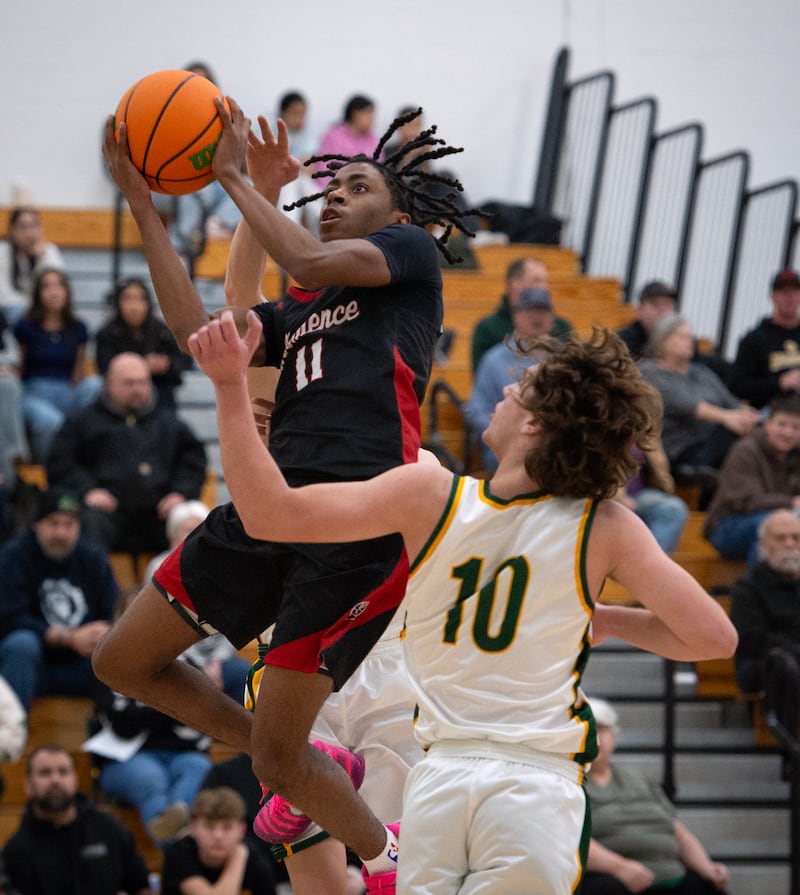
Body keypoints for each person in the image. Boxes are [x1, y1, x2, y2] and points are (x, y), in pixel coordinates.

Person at [188, 314, 737, 894]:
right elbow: (713, 640)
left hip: (439, 782)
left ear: (535, 425)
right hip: (527, 785)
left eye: (518, 388)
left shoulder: (429, 495)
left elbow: (267, 513)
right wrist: (607, 620)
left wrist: (227, 387)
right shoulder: (604, 526)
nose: (502, 390)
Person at [96, 97, 476, 891]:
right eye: (331, 186)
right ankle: (307, 765)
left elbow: (304, 259)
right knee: (122, 661)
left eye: (358, 185)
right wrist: (142, 205)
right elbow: (200, 330)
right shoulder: (300, 305)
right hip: (273, 506)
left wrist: (239, 180)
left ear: (398, 209)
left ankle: (382, 852)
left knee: (277, 760)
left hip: (357, 525)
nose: (337, 192)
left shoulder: (406, 255)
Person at [46, 352, 207, 556]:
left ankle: (189, 588)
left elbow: (193, 463)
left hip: (158, 512)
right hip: (108, 513)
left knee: (190, 521)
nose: (137, 390)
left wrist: (180, 493)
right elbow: (60, 464)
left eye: (142, 383)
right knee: (88, 522)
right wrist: (87, 491)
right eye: (129, 383)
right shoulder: (83, 422)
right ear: (110, 384)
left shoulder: (170, 423)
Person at [90, 591, 213, 846]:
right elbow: (123, 724)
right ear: (118, 621)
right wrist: (170, 706)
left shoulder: (188, 660)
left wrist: (149, 705)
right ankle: (173, 843)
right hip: (127, 759)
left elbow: (202, 716)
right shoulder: (108, 662)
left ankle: (177, 815)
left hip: (182, 754)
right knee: (150, 777)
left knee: (198, 767)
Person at [582, 698, 730, 895]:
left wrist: (707, 867)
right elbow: (572, 840)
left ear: (614, 735)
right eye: (587, 728)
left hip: (671, 876)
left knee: (707, 884)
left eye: (601, 728)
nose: (595, 736)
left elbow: (681, 834)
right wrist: (619, 867)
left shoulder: (638, 778)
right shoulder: (568, 784)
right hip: (614, 879)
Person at [0, 489, 117, 712]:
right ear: (37, 525)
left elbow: (112, 610)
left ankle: (115, 733)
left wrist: (100, 634)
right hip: (33, 662)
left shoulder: (93, 558)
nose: (61, 533)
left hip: (83, 661)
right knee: (21, 645)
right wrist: (68, 637)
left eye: (69, 525)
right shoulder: (14, 556)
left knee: (118, 649)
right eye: (53, 523)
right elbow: (8, 617)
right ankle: (9, 737)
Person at [2, 744, 151, 895]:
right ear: (28, 785)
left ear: (76, 780)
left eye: (63, 771)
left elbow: (140, 885)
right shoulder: (17, 851)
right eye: (45, 773)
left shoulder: (108, 827)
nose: (55, 779)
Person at [142, 500, 250, 703]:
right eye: (188, 530)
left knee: (245, 674)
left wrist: (217, 662)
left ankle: (242, 734)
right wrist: (198, 668)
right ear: (173, 536)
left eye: (200, 530)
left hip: (215, 659)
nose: (195, 537)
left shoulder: (225, 570)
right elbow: (160, 628)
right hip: (175, 656)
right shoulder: (158, 567)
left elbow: (233, 625)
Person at [640, 313, 760, 480]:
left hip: (713, 441)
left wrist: (752, 418)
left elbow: (731, 402)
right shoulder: (651, 372)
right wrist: (727, 418)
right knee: (732, 433)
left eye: (690, 336)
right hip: (679, 448)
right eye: (682, 336)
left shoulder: (701, 372)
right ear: (663, 340)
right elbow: (687, 405)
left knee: (768, 431)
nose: (690, 341)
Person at [466, 286, 573, 471]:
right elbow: (477, 409)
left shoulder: (564, 360)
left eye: (543, 310)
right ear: (516, 315)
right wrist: (505, 433)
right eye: (530, 310)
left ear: (552, 318)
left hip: (552, 443)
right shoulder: (494, 359)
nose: (537, 316)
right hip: (504, 444)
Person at [13, 267, 101, 462]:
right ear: (38, 293)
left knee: (96, 384)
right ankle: (53, 472)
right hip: (34, 393)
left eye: (59, 286)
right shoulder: (25, 326)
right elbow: (19, 367)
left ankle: (92, 458)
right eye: (47, 286)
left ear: (67, 292)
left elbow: (77, 372)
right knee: (50, 421)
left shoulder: (78, 328)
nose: (54, 291)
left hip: (66, 390)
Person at [703, 395, 800, 565]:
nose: (788, 432)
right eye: (782, 424)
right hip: (729, 525)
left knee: (783, 525)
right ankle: (757, 590)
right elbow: (745, 501)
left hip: (784, 518)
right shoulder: (745, 450)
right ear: (768, 424)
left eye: (796, 427)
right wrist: (791, 502)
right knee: (773, 525)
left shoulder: (796, 455)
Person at [729, 508, 800, 696]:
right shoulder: (747, 586)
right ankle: (782, 726)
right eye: (780, 538)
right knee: (782, 664)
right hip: (765, 663)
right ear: (763, 544)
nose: (790, 544)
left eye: (796, 537)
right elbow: (753, 639)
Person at [95, 277, 191, 410]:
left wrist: (165, 364)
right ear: (118, 303)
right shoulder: (107, 333)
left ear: (148, 303)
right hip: (119, 395)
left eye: (140, 299)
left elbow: (182, 363)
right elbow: (104, 369)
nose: (134, 306)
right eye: (128, 299)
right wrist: (141, 366)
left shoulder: (162, 331)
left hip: (160, 391)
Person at [470, 257, 572, 372]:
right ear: (515, 283)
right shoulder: (487, 329)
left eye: (546, 281)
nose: (544, 287)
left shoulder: (562, 327)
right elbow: (482, 378)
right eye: (537, 280)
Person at [730, 269, 800, 409]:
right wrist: (780, 383)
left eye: (794, 292)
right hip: (771, 413)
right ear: (773, 296)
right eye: (783, 292)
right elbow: (738, 387)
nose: (789, 298)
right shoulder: (754, 340)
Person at [616, 443, 689, 555]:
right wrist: (618, 498)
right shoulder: (601, 429)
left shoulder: (648, 431)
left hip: (641, 494)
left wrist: (666, 485)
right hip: (606, 496)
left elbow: (661, 467)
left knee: (673, 508)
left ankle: (653, 565)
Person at [0, 208, 65, 324]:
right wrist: (31, 308)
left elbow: (57, 290)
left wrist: (41, 260)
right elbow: (4, 296)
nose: (29, 233)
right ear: (12, 231)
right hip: (11, 313)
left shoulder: (50, 252)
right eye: (23, 227)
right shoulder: (3, 252)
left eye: (34, 226)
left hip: (43, 312)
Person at [316, 94, 381, 174]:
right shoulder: (333, 136)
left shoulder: (373, 139)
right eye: (368, 114)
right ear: (355, 114)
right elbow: (324, 166)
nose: (372, 119)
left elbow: (378, 169)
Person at [616, 280, 678, 360]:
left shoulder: (683, 340)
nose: (662, 310)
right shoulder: (624, 341)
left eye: (667, 304)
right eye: (656, 304)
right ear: (639, 310)